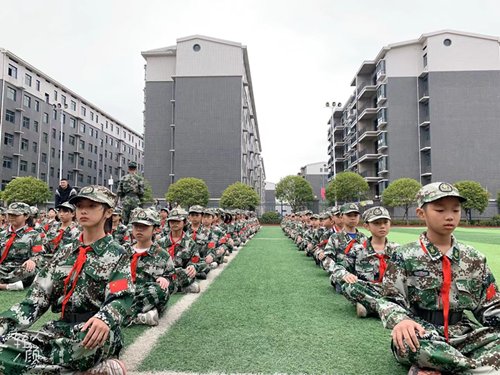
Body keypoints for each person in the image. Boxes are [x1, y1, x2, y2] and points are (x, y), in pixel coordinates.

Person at [0, 185, 134, 374]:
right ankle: (83, 372)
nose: (83, 210)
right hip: (60, 330)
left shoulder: (117, 253)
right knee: (3, 345)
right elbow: (35, 300)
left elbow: (122, 296)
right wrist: (4, 325)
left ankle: (40, 364)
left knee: (86, 343)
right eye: (80, 206)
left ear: (108, 212)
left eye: (92, 205)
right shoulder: (64, 252)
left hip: (92, 333)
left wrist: (105, 318)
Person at [378, 182, 500, 374]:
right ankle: (478, 370)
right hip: (421, 333)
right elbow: (389, 299)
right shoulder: (405, 255)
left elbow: (490, 306)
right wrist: (401, 320)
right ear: (421, 213)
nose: (449, 216)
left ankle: (440, 368)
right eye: (440, 209)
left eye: (456, 210)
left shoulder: (474, 258)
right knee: (410, 345)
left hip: (463, 334)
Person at [333, 206, 398, 318]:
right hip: (368, 289)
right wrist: (346, 274)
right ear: (366, 226)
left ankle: (370, 306)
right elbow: (338, 268)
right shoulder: (358, 250)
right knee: (349, 286)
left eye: (385, 222)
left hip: (392, 291)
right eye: (377, 223)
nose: (382, 226)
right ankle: (389, 308)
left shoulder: (397, 250)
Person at [125, 207, 175, 326]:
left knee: (159, 289)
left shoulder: (162, 255)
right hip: (126, 291)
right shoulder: (124, 251)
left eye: (144, 227)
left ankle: (122, 314)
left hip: (147, 295)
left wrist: (166, 280)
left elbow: (172, 282)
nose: (139, 230)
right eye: (136, 226)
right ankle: (139, 316)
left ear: (155, 229)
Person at [0, 202, 44, 291]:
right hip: (2, 268)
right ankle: (9, 285)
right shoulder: (2, 234)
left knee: (31, 271)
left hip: (20, 269)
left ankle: (4, 284)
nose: (12, 217)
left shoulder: (34, 234)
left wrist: (32, 260)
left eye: (16, 214)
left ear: (26, 216)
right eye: (10, 214)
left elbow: (39, 255)